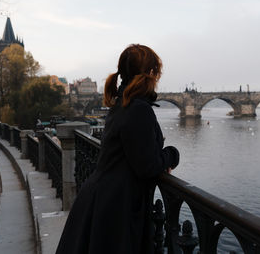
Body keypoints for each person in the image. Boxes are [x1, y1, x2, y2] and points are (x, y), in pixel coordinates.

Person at [56, 44, 180, 254]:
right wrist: (172, 155)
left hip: (102, 198)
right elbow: (147, 166)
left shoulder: (122, 103)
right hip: (115, 207)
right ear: (150, 74)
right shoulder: (138, 108)